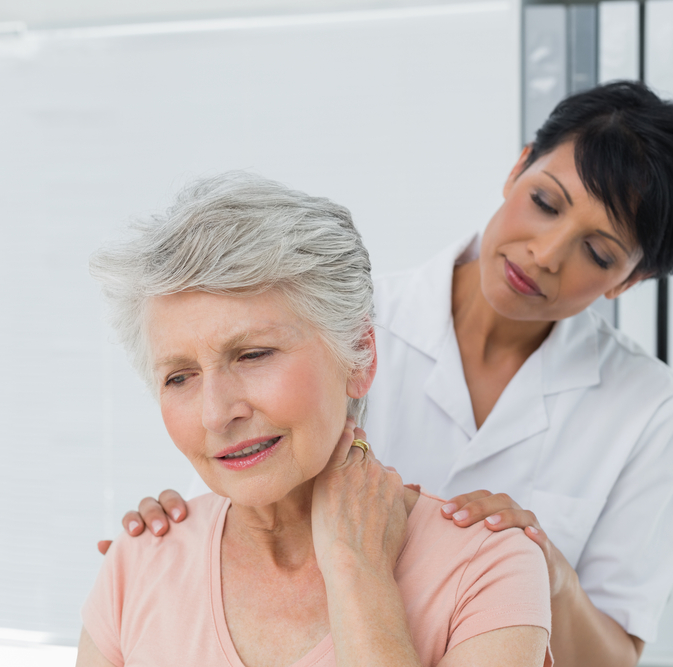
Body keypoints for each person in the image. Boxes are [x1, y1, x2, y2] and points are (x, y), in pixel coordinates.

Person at [107, 81, 673, 667]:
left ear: (629, 281)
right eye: (544, 202)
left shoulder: (644, 404)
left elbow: (613, 656)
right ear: (517, 168)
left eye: (598, 251)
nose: (545, 253)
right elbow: (237, 451)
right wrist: (175, 546)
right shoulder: (340, 318)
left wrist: (546, 570)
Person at [78, 172, 552, 667]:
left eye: (253, 355)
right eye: (179, 377)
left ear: (360, 358)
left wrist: (358, 572)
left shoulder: (489, 570)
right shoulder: (136, 566)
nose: (217, 414)